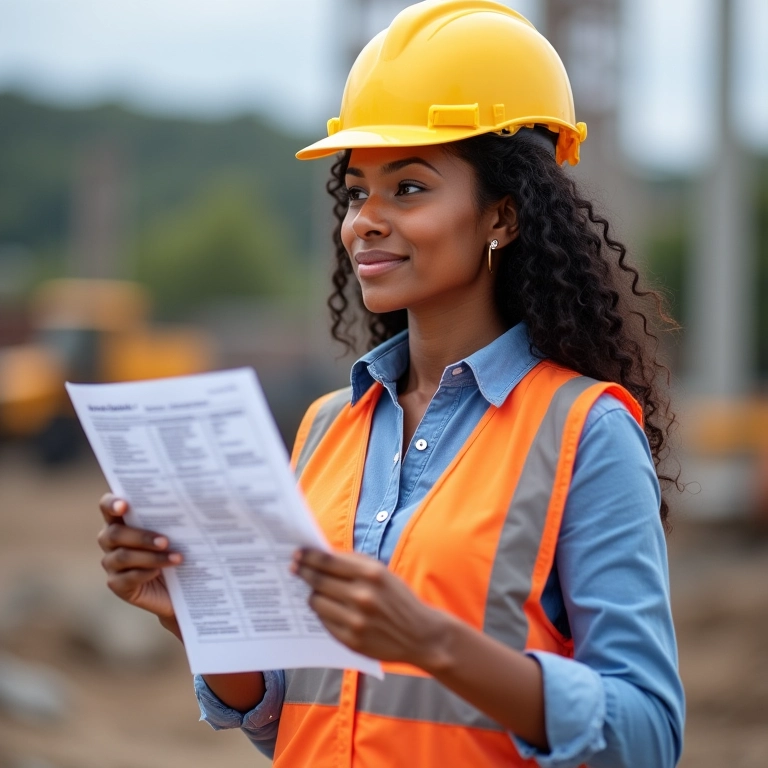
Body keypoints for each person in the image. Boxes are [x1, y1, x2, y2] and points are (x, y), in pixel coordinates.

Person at [96, 1, 685, 766]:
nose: (364, 221)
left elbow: (647, 737)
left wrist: (437, 643)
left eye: (408, 187)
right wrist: (193, 611)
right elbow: (293, 721)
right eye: (356, 191)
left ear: (503, 216)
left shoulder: (584, 431)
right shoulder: (327, 427)